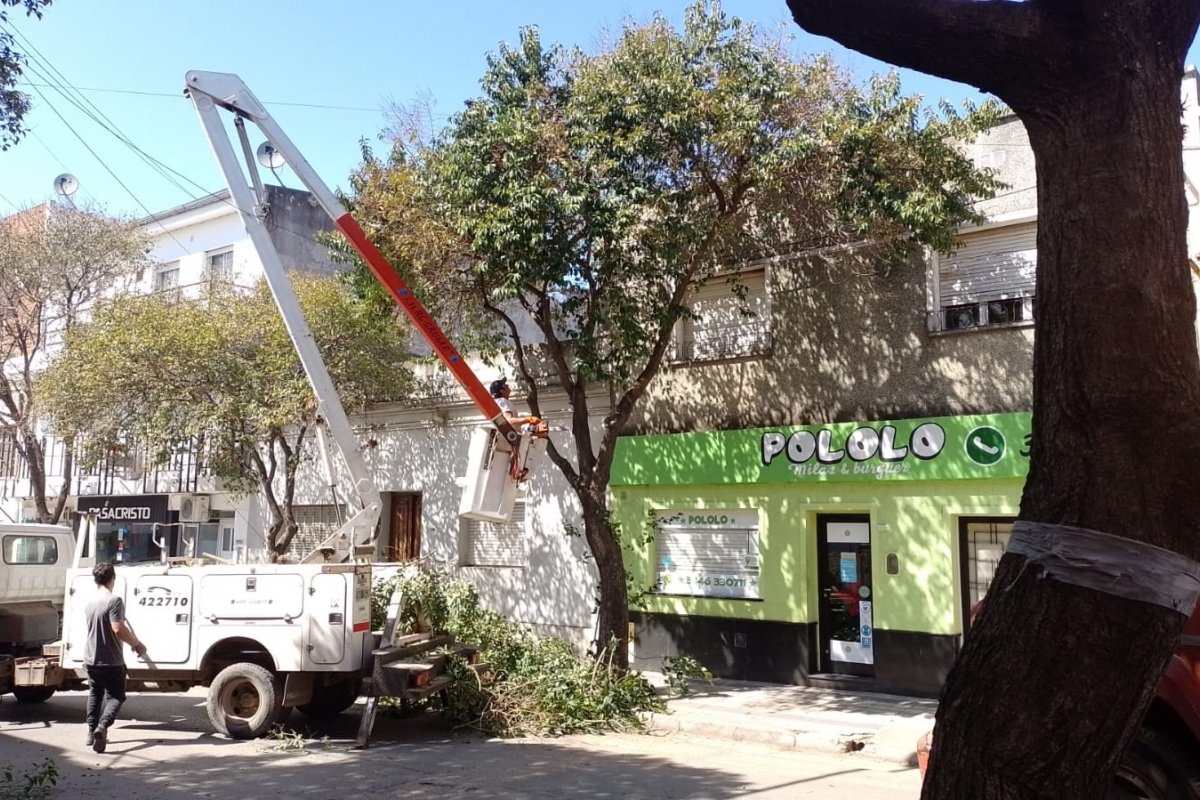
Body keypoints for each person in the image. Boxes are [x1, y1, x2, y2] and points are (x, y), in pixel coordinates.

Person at [84, 562, 147, 753]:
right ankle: (102, 727)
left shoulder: (90, 603)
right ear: (113, 579)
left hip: (90, 658)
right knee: (116, 696)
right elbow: (117, 627)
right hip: (110, 660)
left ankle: (90, 731)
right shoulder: (114, 600)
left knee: (95, 694)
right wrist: (136, 644)